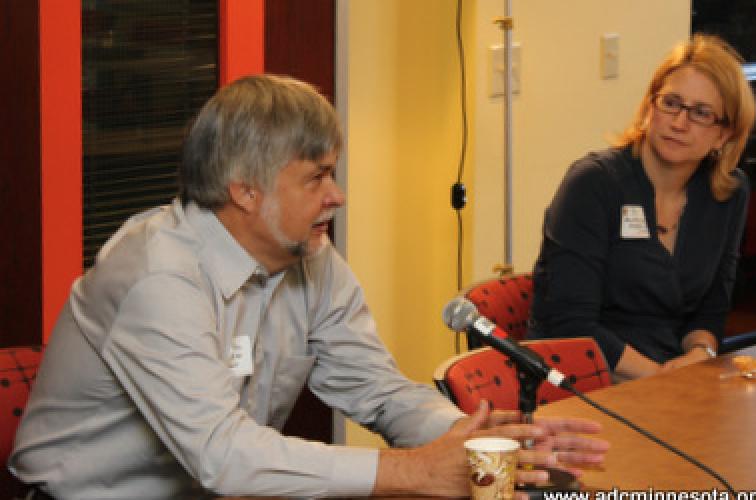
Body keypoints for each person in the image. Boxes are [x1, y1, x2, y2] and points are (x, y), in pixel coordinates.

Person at [9, 74, 608, 499]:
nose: (337, 195)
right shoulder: (156, 276)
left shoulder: (311, 259)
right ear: (246, 190)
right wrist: (411, 472)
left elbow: (377, 390)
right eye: (317, 177)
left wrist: (468, 435)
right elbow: (223, 455)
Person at [527, 34, 756, 381]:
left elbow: (712, 307)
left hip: (669, 375)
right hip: (578, 377)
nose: (679, 123)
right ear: (650, 106)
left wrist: (700, 353)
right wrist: (660, 379)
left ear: (724, 135)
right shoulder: (593, 184)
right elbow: (571, 324)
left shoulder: (727, 193)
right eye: (671, 103)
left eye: (701, 113)